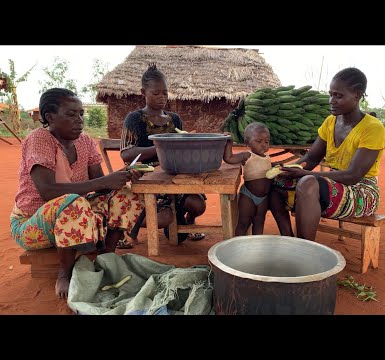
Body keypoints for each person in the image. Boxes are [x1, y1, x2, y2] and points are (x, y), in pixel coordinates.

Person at [10, 88, 145, 299]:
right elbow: (48, 192)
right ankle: (65, 272)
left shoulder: (85, 142)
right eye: (71, 114)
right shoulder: (39, 140)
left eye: (81, 113)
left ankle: (106, 256)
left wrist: (122, 176)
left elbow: (101, 186)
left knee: (127, 195)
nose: (80, 120)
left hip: (74, 218)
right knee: (72, 202)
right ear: (50, 117)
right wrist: (104, 181)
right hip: (33, 224)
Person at [269, 67, 385, 240]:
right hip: (331, 184)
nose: (331, 100)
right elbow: (311, 157)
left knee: (308, 182)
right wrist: (286, 169)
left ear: (357, 95)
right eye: (330, 94)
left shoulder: (373, 128)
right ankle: (289, 240)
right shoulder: (331, 122)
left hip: (362, 191)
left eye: (338, 96)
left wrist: (305, 173)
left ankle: (305, 252)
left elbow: (354, 175)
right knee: (273, 185)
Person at [119, 63, 206, 246]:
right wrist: (162, 147)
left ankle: (186, 220)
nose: (162, 97)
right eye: (156, 93)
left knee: (199, 205)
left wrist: (188, 141)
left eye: (165, 93)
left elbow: (181, 150)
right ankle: (125, 224)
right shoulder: (134, 119)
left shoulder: (174, 119)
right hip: (146, 179)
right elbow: (127, 154)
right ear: (143, 93)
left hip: (174, 176)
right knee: (164, 218)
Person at [223, 122, 272, 236]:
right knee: (243, 223)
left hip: (264, 198)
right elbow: (229, 158)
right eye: (259, 141)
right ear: (247, 142)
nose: (263, 144)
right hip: (248, 196)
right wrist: (229, 142)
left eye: (266, 141)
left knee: (259, 222)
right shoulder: (247, 155)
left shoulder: (268, 157)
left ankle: (256, 248)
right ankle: (237, 247)